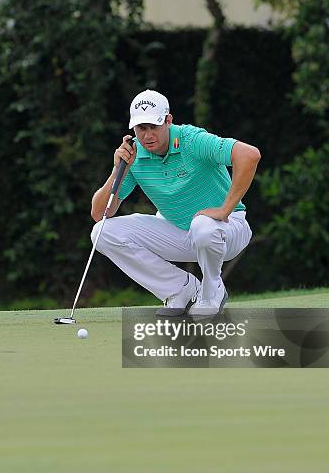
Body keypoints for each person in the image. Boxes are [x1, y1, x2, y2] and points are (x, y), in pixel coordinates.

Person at [91, 89, 260, 317]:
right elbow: (100, 213)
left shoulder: (193, 140)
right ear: (133, 128)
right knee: (101, 232)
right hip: (179, 232)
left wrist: (225, 208)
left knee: (203, 225)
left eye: (154, 126)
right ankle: (181, 291)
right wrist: (118, 171)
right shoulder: (132, 156)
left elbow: (249, 155)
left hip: (227, 229)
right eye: (141, 128)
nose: (148, 135)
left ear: (168, 120)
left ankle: (212, 292)